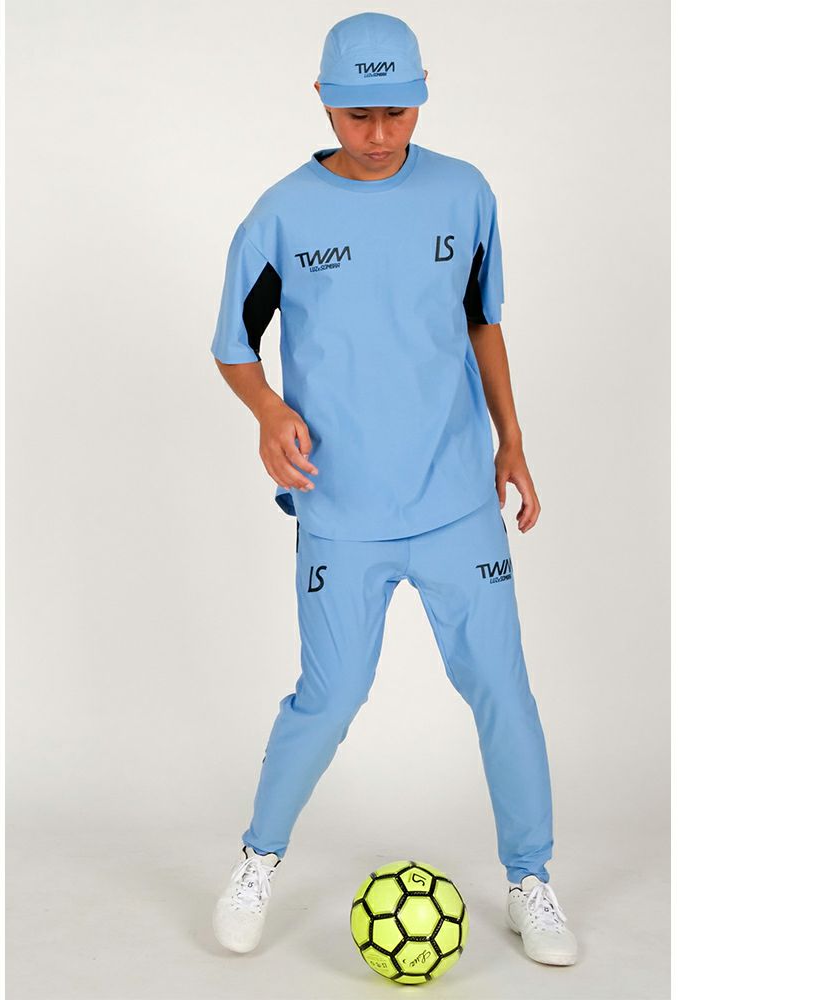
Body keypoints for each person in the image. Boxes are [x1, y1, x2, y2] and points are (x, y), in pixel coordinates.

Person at [208, 12, 578, 968]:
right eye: (358, 115)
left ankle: (531, 879)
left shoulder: (465, 194)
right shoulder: (280, 215)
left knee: (502, 687)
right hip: (340, 507)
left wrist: (512, 441)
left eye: (397, 113)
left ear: (422, 96)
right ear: (324, 101)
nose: (379, 135)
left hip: (457, 499)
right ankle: (257, 859)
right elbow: (233, 345)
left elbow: (483, 323)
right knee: (330, 698)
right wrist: (266, 411)